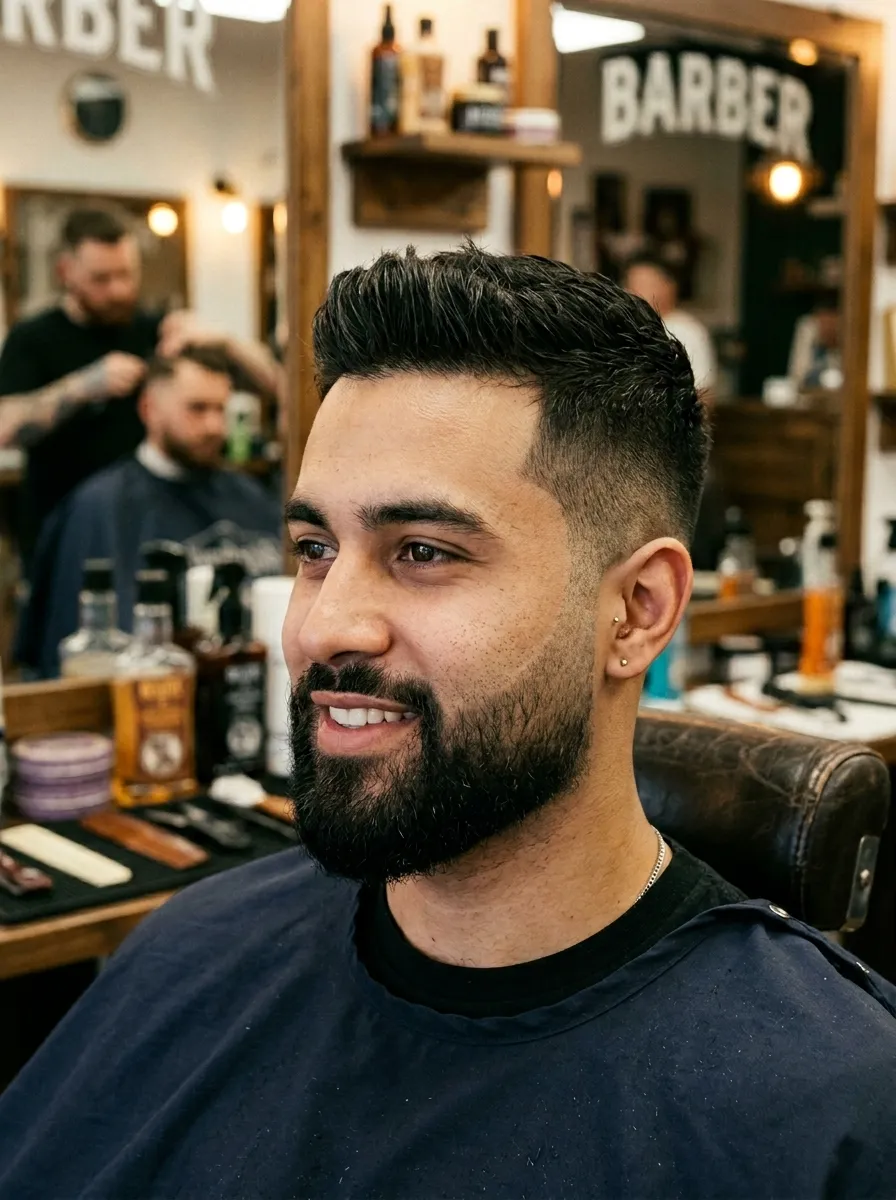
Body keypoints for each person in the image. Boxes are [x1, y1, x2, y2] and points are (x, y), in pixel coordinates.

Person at [1, 247, 894, 1199]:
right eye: (314, 548)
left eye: (422, 550)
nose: (320, 626)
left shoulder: (836, 1109)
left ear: (637, 611)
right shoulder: (191, 948)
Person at [0, 207, 284, 565]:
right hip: (65, 527)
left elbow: (280, 387)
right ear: (65, 272)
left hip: (150, 526)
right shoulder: (33, 339)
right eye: (101, 279)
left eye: (126, 275)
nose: (118, 290)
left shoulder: (154, 331)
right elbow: (4, 427)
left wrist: (225, 341)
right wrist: (83, 385)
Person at [17, 345, 282, 678]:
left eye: (221, 410)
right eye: (197, 409)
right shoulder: (100, 506)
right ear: (149, 410)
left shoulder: (250, 496)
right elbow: (72, 659)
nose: (215, 426)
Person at [624, 252, 718, 394]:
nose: (632, 292)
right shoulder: (624, 327)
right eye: (630, 285)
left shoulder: (689, 331)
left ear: (669, 286)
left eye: (643, 284)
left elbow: (703, 393)